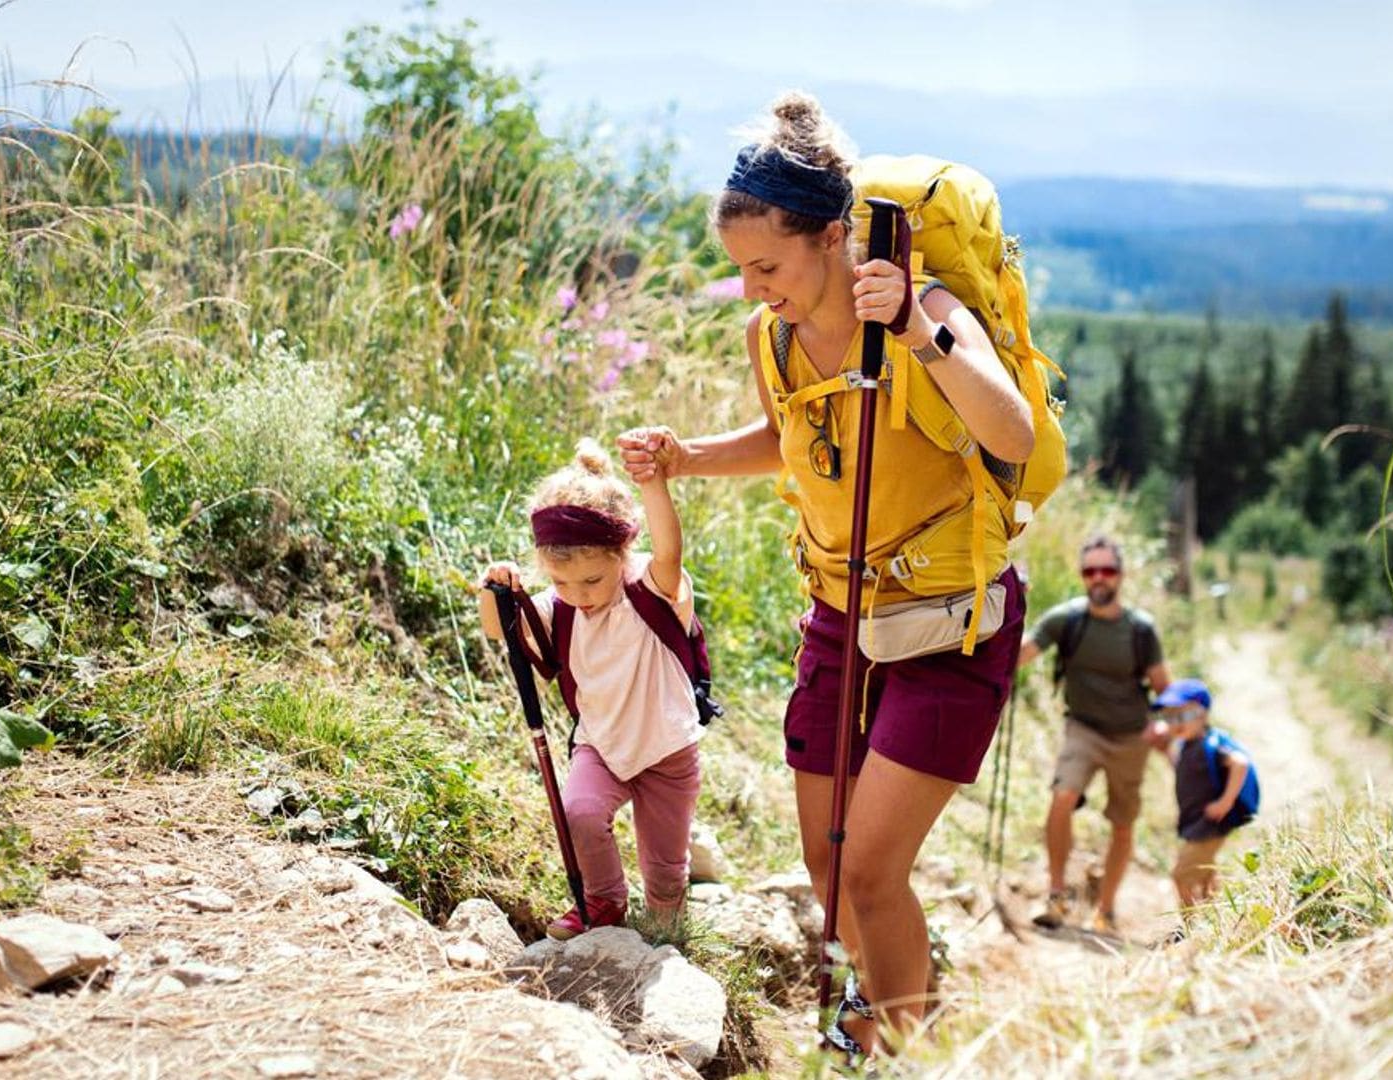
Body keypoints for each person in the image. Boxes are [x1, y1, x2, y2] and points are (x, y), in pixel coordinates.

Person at [616, 91, 1033, 1055]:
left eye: (768, 265)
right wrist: (686, 457)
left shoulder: (924, 308)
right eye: (741, 270)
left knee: (873, 872)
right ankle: (870, 1030)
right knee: (827, 861)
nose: (755, 287)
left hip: (948, 621)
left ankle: (902, 1050)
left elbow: (1008, 429)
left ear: (835, 236)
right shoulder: (773, 333)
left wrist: (924, 339)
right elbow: (790, 436)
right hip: (840, 616)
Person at [477, 439, 702, 940]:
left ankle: (668, 926)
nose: (579, 596)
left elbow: (670, 548)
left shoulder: (650, 587)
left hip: (667, 748)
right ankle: (604, 903)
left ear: (623, 554)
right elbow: (500, 629)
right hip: (601, 743)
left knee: (665, 865)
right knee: (580, 811)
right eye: (561, 582)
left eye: (593, 581)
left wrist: (653, 482)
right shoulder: (561, 608)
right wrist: (492, 589)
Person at [1016, 535, 1169, 933]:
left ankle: (1106, 908)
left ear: (1121, 576)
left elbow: (1165, 688)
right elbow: (1022, 653)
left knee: (1122, 823)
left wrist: (1174, 730)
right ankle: (1056, 895)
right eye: (1090, 571)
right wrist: (1010, 608)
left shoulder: (1140, 630)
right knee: (1062, 796)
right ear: (1082, 576)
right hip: (1082, 728)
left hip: (1131, 737)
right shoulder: (1066, 620)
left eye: (1107, 570)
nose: (1099, 578)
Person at [1146, 677, 1256, 909]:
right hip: (1196, 821)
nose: (1176, 724)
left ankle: (1191, 923)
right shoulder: (1187, 747)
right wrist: (1166, 752)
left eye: (1183, 716)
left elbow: (1240, 763)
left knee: (1180, 875)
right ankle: (1216, 912)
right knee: (1206, 873)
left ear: (1203, 714)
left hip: (1211, 823)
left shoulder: (1212, 745)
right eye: (1170, 717)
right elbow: (1185, 773)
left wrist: (1225, 802)